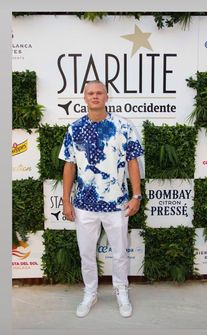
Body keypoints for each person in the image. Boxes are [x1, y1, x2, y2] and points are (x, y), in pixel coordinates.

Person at [58, 80, 144, 318]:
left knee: (119, 252)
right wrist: (66, 200)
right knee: (86, 252)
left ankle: (121, 290)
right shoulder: (74, 128)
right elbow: (69, 165)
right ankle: (90, 292)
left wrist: (136, 195)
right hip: (84, 205)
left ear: (107, 97)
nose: (95, 96)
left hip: (117, 204)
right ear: (84, 98)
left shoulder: (122, 126)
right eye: (90, 93)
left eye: (99, 93)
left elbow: (132, 162)